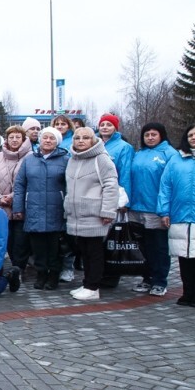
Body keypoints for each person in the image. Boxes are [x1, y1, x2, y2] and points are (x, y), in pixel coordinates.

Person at [64, 127, 119, 301]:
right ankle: (87, 282)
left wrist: (108, 211)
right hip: (76, 214)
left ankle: (93, 286)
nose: (80, 141)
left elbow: (111, 185)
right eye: (77, 138)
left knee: (94, 251)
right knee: (84, 250)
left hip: (94, 214)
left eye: (85, 138)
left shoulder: (101, 159)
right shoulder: (73, 159)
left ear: (93, 140)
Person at [12, 127, 70, 290]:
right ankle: (41, 274)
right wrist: (18, 207)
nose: (48, 141)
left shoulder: (65, 159)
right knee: (38, 247)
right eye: (45, 137)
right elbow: (20, 184)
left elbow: (70, 185)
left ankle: (53, 276)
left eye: (52, 138)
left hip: (56, 209)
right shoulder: (29, 159)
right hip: (34, 209)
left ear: (57, 141)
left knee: (54, 247)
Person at [128, 122, 178, 296]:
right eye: (146, 134)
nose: (150, 137)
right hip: (136, 208)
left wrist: (166, 209)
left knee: (159, 247)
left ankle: (160, 281)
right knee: (143, 247)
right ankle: (147, 278)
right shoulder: (139, 153)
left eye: (153, 134)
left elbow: (171, 184)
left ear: (161, 135)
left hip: (156, 209)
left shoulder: (170, 154)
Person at [157, 123, 195, 307]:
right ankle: (188, 293)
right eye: (190, 135)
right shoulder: (176, 160)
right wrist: (164, 211)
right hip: (180, 216)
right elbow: (165, 187)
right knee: (184, 258)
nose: (194, 138)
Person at [0, 126, 32, 274]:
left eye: (17, 137)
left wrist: (13, 197)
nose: (14, 140)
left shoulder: (31, 157)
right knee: (6, 239)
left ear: (23, 139)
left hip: (21, 205)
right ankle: (11, 268)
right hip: (1, 205)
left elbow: (31, 181)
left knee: (21, 242)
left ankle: (19, 270)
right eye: (11, 137)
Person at [97, 113, 134, 204]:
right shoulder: (95, 145)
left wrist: (124, 201)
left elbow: (125, 173)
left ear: (115, 128)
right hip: (96, 193)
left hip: (113, 194)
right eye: (102, 125)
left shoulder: (124, 147)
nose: (105, 127)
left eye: (109, 125)